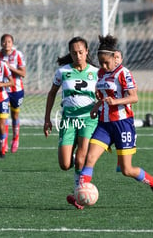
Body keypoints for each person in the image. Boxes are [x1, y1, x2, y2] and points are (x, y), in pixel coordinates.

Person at [79, 34, 153, 204]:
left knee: (126, 169)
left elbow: (134, 98)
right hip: (104, 125)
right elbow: (103, 96)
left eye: (106, 62)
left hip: (123, 125)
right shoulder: (101, 73)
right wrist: (97, 106)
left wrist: (116, 101)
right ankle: (79, 195)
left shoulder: (124, 73)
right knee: (90, 158)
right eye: (101, 62)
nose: (103, 66)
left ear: (115, 58)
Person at [43, 36, 99, 210]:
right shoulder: (63, 71)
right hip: (68, 121)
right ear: (70, 53)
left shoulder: (96, 72)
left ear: (87, 51)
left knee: (82, 159)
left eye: (81, 52)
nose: (78, 55)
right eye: (74, 53)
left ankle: (78, 193)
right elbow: (52, 93)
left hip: (88, 120)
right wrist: (47, 119)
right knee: (64, 164)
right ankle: (77, 161)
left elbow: (103, 96)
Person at [0, 34, 26, 153]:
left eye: (9, 42)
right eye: (4, 42)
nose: (7, 44)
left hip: (16, 90)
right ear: (1, 43)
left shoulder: (18, 55)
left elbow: (23, 73)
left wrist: (9, 67)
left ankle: (15, 138)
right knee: (3, 117)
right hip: (3, 90)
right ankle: (3, 143)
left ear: (12, 43)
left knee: (14, 115)